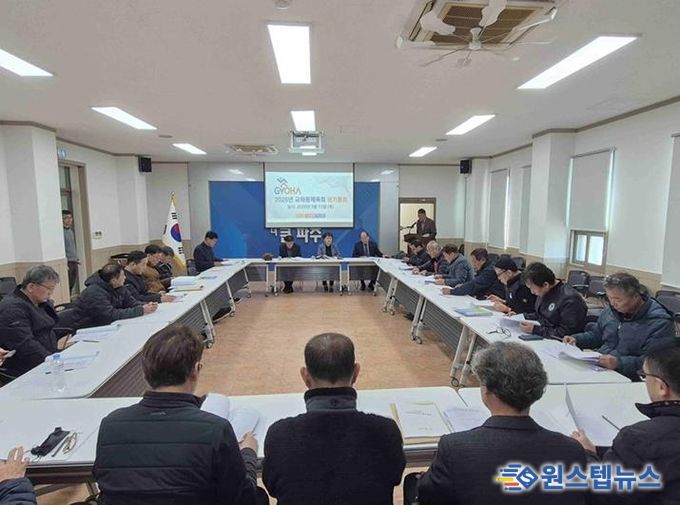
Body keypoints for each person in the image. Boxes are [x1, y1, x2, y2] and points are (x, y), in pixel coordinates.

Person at [93, 325, 260, 505]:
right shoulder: (216, 429)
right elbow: (245, 500)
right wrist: (248, 453)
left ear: (145, 373)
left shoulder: (110, 425)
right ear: (195, 370)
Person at [415, 342, 587, 505]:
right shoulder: (571, 449)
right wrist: (589, 454)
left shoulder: (454, 448)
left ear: (486, 390)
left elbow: (428, 497)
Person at [263, 333, 405, 505]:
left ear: (305, 377)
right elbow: (395, 476)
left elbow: (272, 486)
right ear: (356, 373)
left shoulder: (279, 435)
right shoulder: (386, 431)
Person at [572, 337, 680, 504]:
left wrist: (587, 454)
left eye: (644, 375)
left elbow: (602, 492)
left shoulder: (639, 438)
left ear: (661, 387)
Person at [563, 272, 675, 380]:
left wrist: (619, 363)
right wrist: (577, 339)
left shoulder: (659, 323)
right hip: (600, 367)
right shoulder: (611, 312)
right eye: (609, 298)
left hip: (629, 377)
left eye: (617, 299)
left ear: (636, 297)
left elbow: (655, 362)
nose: (612, 303)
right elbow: (597, 335)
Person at [0, 266, 65, 379]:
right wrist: (52, 363)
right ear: (31, 287)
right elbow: (25, 345)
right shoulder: (12, 309)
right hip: (25, 368)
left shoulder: (39, 303)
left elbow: (49, 328)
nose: (50, 293)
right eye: (49, 288)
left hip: (46, 358)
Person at [65, 263, 157, 330]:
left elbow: (131, 302)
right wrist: (141, 310)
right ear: (113, 280)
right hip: (90, 328)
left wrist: (146, 305)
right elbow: (110, 315)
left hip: (109, 325)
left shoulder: (119, 286)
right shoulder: (94, 293)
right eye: (123, 276)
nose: (125, 278)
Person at [519, 263, 587, 339]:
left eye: (533, 288)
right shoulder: (544, 291)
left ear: (545, 285)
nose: (532, 292)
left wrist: (536, 330)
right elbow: (541, 315)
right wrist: (521, 316)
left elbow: (566, 333)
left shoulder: (570, 299)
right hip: (544, 335)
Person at [62, 210, 79, 295]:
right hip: (68, 262)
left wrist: (76, 258)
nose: (69, 220)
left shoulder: (70, 231)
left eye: (70, 217)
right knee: (68, 284)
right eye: (66, 218)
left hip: (74, 261)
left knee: (72, 283)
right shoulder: (61, 232)